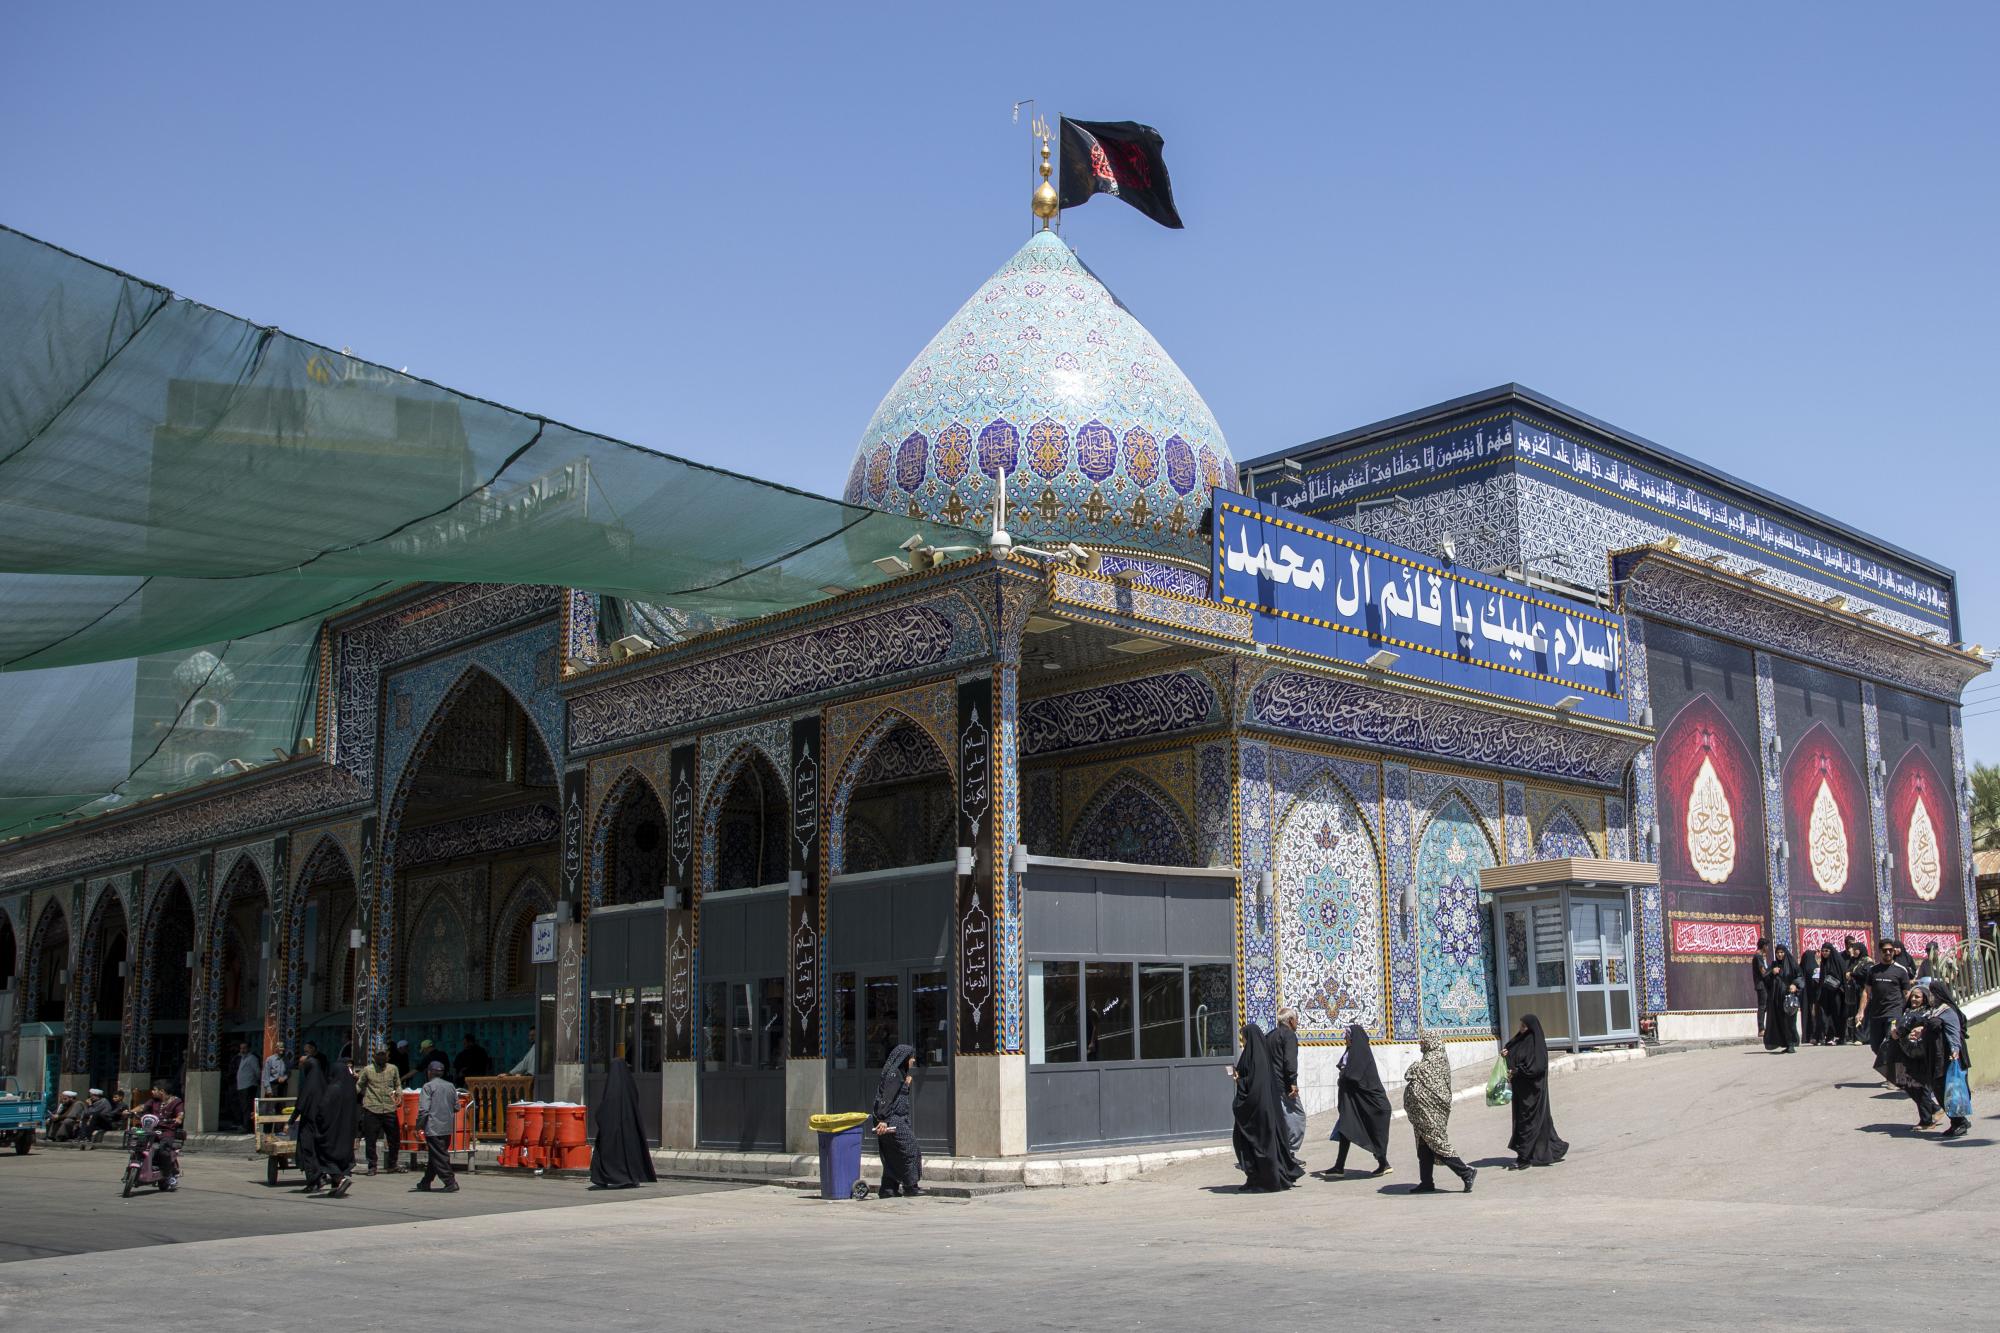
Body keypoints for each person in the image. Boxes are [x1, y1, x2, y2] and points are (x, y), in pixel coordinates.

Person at [1228, 1021, 1302, 1192]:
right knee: (1245, 1144)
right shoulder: (1253, 1055)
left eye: (1244, 1037)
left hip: (1258, 1111)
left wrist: (1240, 1080)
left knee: (1259, 1145)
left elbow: (1255, 1084)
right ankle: (1253, 1179)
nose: (1243, 1041)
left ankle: (1265, 1180)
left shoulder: (1257, 1058)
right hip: (1258, 1110)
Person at [1403, 1034, 1475, 1194]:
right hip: (1423, 1111)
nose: (1420, 1044)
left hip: (1433, 1110)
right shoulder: (1429, 1057)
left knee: (1436, 1143)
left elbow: (1415, 1073)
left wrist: (1414, 1067)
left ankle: (1466, 1172)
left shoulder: (1436, 1057)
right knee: (1424, 1145)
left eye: (1423, 1041)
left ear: (1430, 1042)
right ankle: (1426, 1182)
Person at [1901, 983, 1972, 1139]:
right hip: (1936, 1057)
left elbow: (1954, 1032)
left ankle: (1959, 1122)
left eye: (1932, 993)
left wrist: (1955, 1051)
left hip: (1948, 1057)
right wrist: (1921, 1031)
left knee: (1947, 1089)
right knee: (1940, 1089)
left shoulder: (1948, 1011)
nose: (1930, 996)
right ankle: (1958, 1122)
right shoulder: (1936, 1010)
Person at [1503, 1014, 1569, 1168]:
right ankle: (1553, 1149)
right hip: (1521, 1091)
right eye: (1521, 1025)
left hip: (1533, 1093)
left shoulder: (1536, 1044)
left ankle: (1524, 1158)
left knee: (1529, 1123)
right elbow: (1512, 1055)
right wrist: (1506, 1054)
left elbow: (1537, 1067)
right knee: (1525, 1122)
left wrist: (1518, 1071)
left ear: (1531, 1028)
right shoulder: (1519, 1041)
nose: (1521, 1028)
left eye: (1524, 1026)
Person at [1326, 1023, 1391, 1177]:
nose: (1345, 1039)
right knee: (1346, 1128)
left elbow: (1352, 1076)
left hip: (1372, 1106)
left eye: (1347, 1036)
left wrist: (1343, 1077)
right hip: (1357, 1104)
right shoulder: (1352, 1054)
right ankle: (1339, 1166)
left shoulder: (1360, 1056)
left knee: (1372, 1134)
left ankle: (1383, 1163)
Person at [589, 1057, 657, 1189]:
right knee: (629, 1152)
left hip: (612, 1129)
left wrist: (599, 1116)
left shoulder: (611, 1087)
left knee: (605, 1149)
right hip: (629, 1127)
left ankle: (604, 1177)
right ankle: (630, 1177)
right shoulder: (630, 1086)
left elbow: (605, 1107)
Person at [1885, 987, 1946, 1131]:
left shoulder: (1928, 1013)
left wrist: (1919, 1029)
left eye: (1917, 997)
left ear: (1924, 998)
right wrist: (1894, 1032)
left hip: (1919, 1055)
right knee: (1905, 1083)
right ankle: (1934, 1109)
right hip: (1903, 1053)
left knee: (1920, 1086)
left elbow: (1932, 1027)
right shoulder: (1906, 1011)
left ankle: (1926, 1120)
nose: (1913, 999)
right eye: (1912, 996)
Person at [870, 1043, 923, 1198]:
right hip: (891, 1120)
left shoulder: (898, 1074)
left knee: (892, 1154)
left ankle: (888, 1188)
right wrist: (883, 1119)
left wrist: (906, 1085)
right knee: (911, 1150)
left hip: (890, 1119)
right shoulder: (895, 1074)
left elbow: (898, 1097)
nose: (913, 1060)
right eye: (911, 1057)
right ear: (904, 1058)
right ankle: (910, 1186)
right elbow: (887, 1098)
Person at [1855, 938, 1912, 1057]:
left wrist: (1907, 1012)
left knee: (1890, 1043)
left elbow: (1907, 993)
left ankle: (1890, 1067)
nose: (1888, 953)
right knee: (1875, 1046)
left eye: (1890, 950)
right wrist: (1861, 1011)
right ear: (1880, 951)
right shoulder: (1873, 970)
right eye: (1885, 950)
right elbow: (1866, 991)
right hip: (1876, 1014)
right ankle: (1887, 1064)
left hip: (1894, 1013)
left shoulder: (1901, 970)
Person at [316, 1050, 359, 1198]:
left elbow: (323, 1109)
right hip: (347, 1131)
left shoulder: (333, 1088)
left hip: (332, 1131)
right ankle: (336, 1185)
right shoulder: (350, 1089)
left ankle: (340, 1180)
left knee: (328, 1155)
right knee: (342, 1156)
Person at [413, 1061, 459, 1192]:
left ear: (429, 1072)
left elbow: (424, 1110)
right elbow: (457, 1106)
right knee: (436, 1155)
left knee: (439, 1156)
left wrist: (418, 1126)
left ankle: (450, 1182)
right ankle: (425, 1182)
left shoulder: (428, 1087)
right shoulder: (451, 1086)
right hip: (447, 1126)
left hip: (433, 1127)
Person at [355, 1047, 402, 1175]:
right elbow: (359, 1084)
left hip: (389, 1107)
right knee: (371, 1140)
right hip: (372, 1107)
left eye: (383, 1055)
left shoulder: (393, 1069)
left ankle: (392, 1164)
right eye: (379, 1055)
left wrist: (399, 1095)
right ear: (374, 1057)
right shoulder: (367, 1070)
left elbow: (397, 1084)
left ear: (387, 1056)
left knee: (394, 1139)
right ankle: (372, 1166)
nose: (381, 1057)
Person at [289, 1047, 328, 1195]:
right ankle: (320, 1177)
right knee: (317, 1151)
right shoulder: (322, 1082)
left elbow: (301, 1104)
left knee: (307, 1151)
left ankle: (313, 1181)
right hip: (320, 1123)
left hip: (309, 1124)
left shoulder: (309, 1084)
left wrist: (290, 1121)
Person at [1266, 1007, 1305, 1154]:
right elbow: (1289, 1061)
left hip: (1272, 1084)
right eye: (1296, 1019)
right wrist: (1292, 1083)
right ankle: (1290, 1151)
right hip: (1285, 1085)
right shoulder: (1289, 1035)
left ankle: (1281, 1152)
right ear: (1290, 1020)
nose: (1297, 1022)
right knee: (1297, 1117)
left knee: (1281, 1118)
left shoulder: (1270, 1035)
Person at [1763, 945, 1800, 1054]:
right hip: (1776, 999)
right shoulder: (1774, 965)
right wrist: (1772, 973)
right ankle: (1787, 1044)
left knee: (1790, 1022)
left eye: (1782, 952)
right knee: (1780, 1022)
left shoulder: (1792, 964)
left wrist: (1795, 985)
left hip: (1788, 998)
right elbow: (1765, 979)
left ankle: (1792, 1043)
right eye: (1777, 952)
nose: (1779, 955)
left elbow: (1799, 977)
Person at [1815, 944, 1847, 1045]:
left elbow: (1842, 976)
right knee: (1827, 1015)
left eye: (1826, 951)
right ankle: (1829, 1036)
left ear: (1831, 951)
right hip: (1826, 993)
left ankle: (1841, 1036)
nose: (1824, 953)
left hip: (1837, 993)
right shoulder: (1823, 963)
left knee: (1837, 1014)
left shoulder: (1838, 961)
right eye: (1823, 951)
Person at [233, 1041, 260, 1131]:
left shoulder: (252, 1058)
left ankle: (247, 1126)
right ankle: (245, 1125)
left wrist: (257, 1081)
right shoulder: (242, 1058)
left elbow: (257, 1071)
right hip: (242, 1086)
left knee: (248, 1107)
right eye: (241, 1048)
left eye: (244, 1048)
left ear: (248, 1048)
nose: (242, 1050)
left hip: (249, 1086)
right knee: (244, 1107)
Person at [1749, 938, 1772, 1034]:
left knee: (1765, 1006)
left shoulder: (1761, 956)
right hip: (1761, 985)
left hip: (1763, 984)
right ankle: (1761, 1029)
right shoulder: (1758, 956)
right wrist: (1772, 971)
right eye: (1767, 946)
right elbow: (1763, 972)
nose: (1768, 948)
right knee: (1762, 1006)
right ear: (1764, 946)